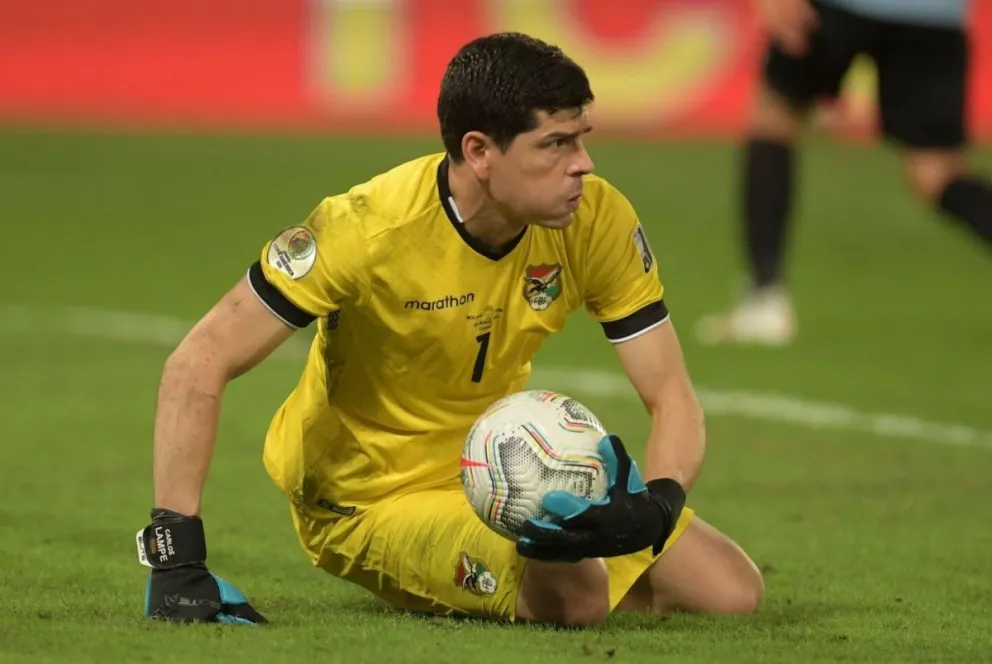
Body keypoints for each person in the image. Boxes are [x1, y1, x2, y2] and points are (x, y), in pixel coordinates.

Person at [134, 32, 763, 626]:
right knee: (578, 597)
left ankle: (533, 572)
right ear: (480, 151)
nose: (583, 165)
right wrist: (175, 559)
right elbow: (200, 358)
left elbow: (671, 393)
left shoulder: (595, 219)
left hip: (499, 471)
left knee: (731, 591)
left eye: (581, 138)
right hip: (368, 498)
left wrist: (659, 504)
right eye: (555, 144)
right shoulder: (366, 231)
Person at [697, 0, 991, 346]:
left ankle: (765, 299)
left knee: (775, 116)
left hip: (840, 8)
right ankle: (763, 301)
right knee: (938, 171)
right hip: (934, 16)